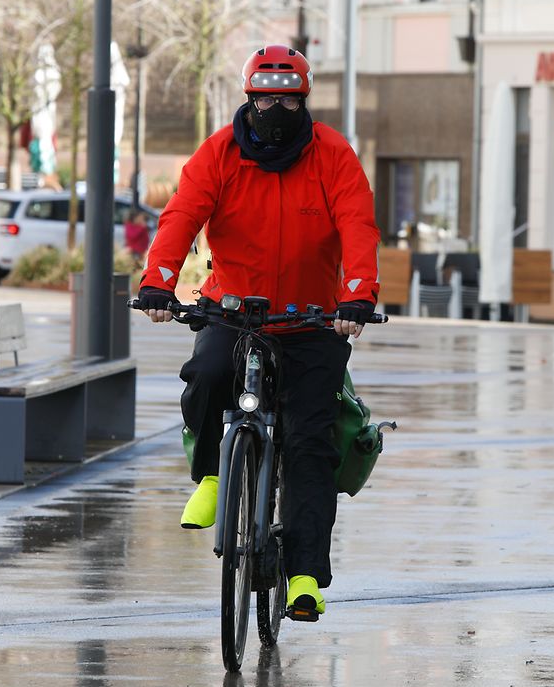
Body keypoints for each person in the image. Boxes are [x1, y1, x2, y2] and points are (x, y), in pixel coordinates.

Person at [136, 44, 380, 622]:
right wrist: (158, 283)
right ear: (248, 97)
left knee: (308, 445)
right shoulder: (218, 153)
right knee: (206, 376)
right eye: (266, 97)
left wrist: (358, 294)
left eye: (287, 100)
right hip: (235, 309)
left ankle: (303, 577)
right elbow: (181, 217)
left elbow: (357, 224)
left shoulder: (332, 155)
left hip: (313, 319)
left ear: (304, 102)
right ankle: (213, 476)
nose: (275, 107)